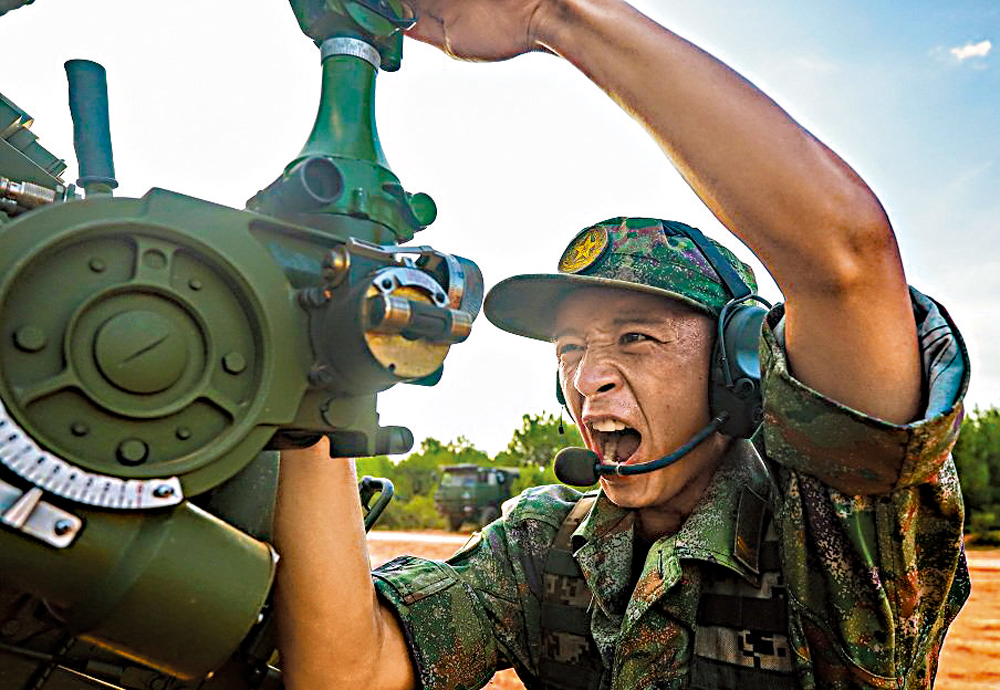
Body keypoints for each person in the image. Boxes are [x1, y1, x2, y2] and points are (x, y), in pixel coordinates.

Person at [273, 1, 970, 688]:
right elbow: (346, 672)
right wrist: (324, 378)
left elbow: (845, 262)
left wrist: (552, 13)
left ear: (739, 367)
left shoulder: (826, 535)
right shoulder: (545, 548)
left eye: (636, 338)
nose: (587, 380)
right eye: (569, 349)